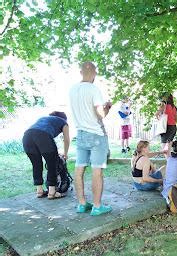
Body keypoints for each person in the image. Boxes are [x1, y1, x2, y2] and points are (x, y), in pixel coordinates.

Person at [69, 61, 112, 216]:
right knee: (97, 171)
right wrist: (107, 106)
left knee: (79, 169)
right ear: (94, 73)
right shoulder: (94, 89)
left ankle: (81, 204)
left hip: (80, 134)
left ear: (81, 72)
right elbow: (101, 114)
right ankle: (97, 206)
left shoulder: (72, 90)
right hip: (95, 135)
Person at [22, 111, 70, 199]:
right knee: (53, 164)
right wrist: (65, 154)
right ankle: (52, 192)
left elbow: (38, 135)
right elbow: (66, 139)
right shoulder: (63, 122)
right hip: (43, 136)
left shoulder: (43, 119)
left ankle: (39, 191)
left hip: (27, 136)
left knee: (36, 164)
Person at [156, 93, 177, 157]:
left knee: (164, 148)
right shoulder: (174, 107)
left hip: (166, 127)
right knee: (168, 148)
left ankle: (169, 164)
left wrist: (160, 117)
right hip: (173, 128)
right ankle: (171, 163)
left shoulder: (163, 105)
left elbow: (157, 114)